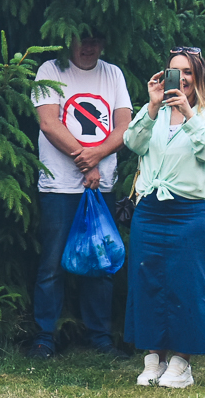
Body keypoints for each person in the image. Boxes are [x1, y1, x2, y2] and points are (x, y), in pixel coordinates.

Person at [123, 47, 205, 388]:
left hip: (191, 211)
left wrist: (188, 114)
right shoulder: (152, 112)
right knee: (149, 282)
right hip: (151, 210)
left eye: (187, 72)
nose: (180, 78)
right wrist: (153, 107)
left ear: (198, 77)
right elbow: (132, 142)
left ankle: (181, 362)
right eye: (174, 71)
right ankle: (153, 359)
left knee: (188, 285)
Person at [27, 33, 132, 359]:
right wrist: (86, 161)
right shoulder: (50, 70)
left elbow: (125, 127)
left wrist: (96, 157)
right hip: (59, 186)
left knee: (100, 264)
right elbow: (48, 122)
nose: (89, 46)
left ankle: (100, 338)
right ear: (68, 40)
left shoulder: (112, 74)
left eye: (95, 39)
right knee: (52, 265)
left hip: (101, 186)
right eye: (81, 39)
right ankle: (44, 337)